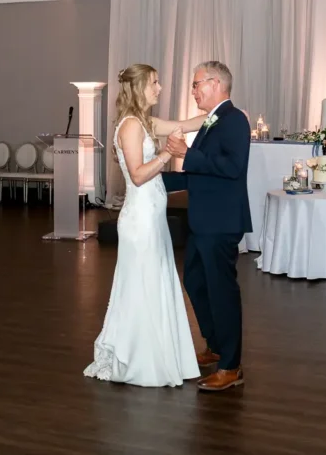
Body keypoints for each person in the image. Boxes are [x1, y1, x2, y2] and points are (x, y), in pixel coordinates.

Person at [84, 64, 208, 388]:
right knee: (142, 286)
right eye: (154, 82)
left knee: (156, 282)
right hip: (140, 221)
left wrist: (218, 113)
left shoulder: (145, 121)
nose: (160, 88)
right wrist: (167, 153)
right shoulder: (130, 126)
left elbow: (185, 124)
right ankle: (140, 359)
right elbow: (138, 175)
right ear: (139, 87)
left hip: (153, 218)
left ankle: (162, 354)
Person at [162, 61, 252, 392]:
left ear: (216, 84)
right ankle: (215, 344)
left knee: (222, 291)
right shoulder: (212, 121)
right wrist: (154, 178)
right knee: (196, 282)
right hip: (203, 221)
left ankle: (231, 366)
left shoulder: (234, 119)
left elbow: (233, 167)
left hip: (221, 221)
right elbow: (198, 174)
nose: (193, 90)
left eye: (196, 84)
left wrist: (186, 153)